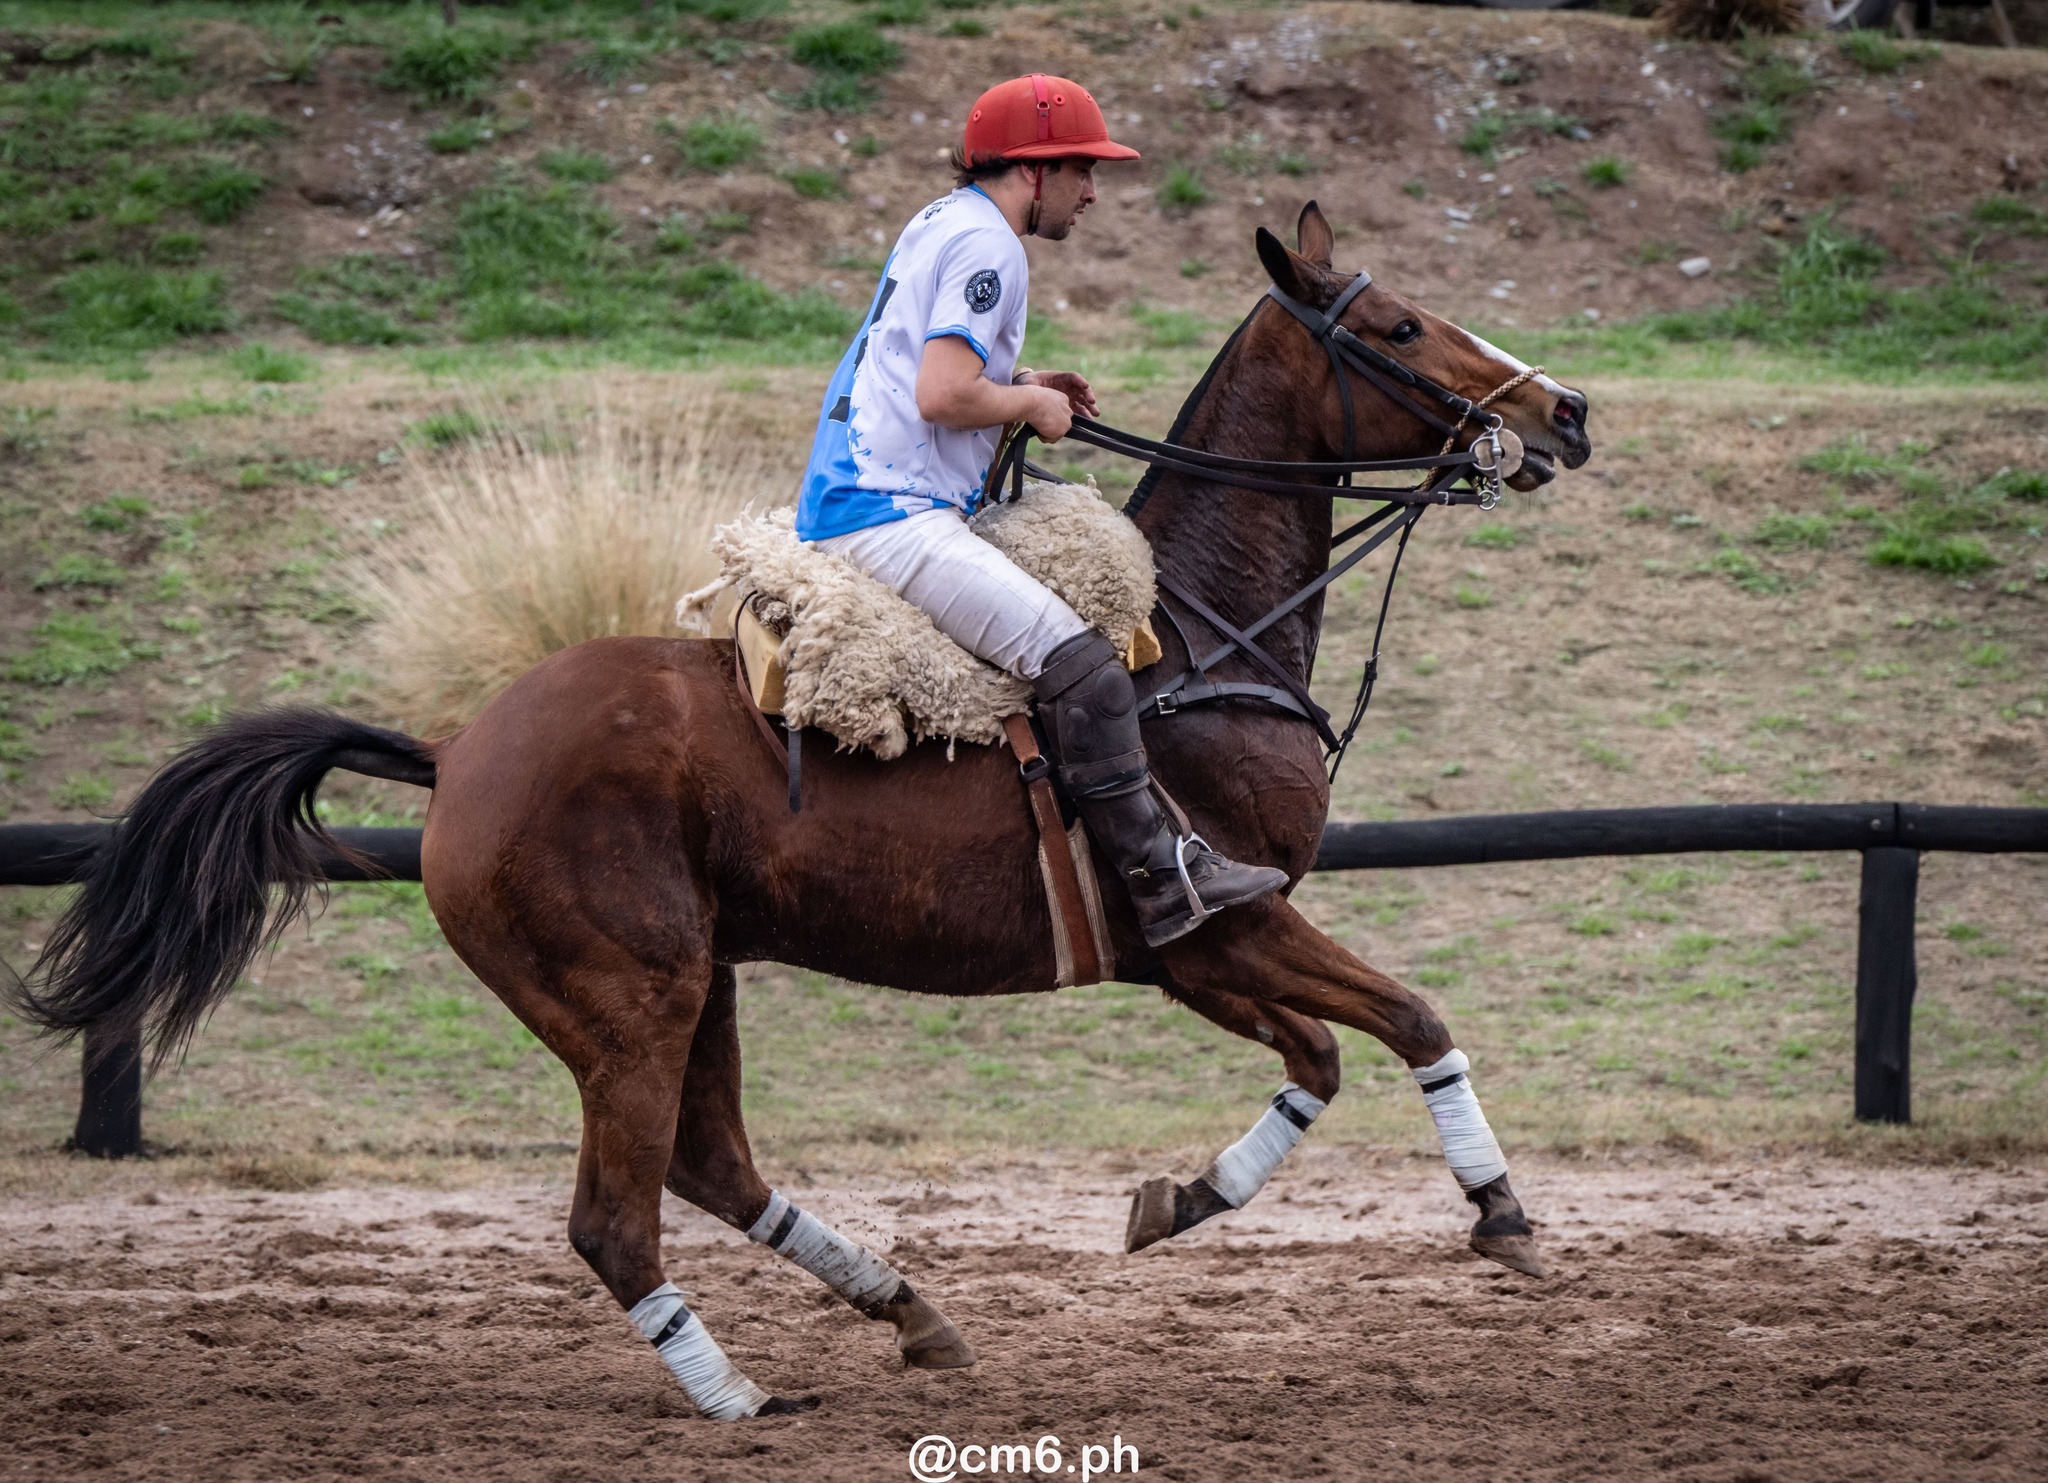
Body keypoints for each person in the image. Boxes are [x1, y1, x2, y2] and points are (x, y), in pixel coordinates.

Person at [794, 73, 1285, 949]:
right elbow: (944, 394)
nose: (1092, 192)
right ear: (1032, 169)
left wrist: (1020, 380)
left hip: (867, 492)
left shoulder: (944, 219)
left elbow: (915, 367)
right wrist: (1027, 409)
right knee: (1088, 665)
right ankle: (1160, 880)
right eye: (1081, 171)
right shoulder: (994, 250)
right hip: (890, 513)